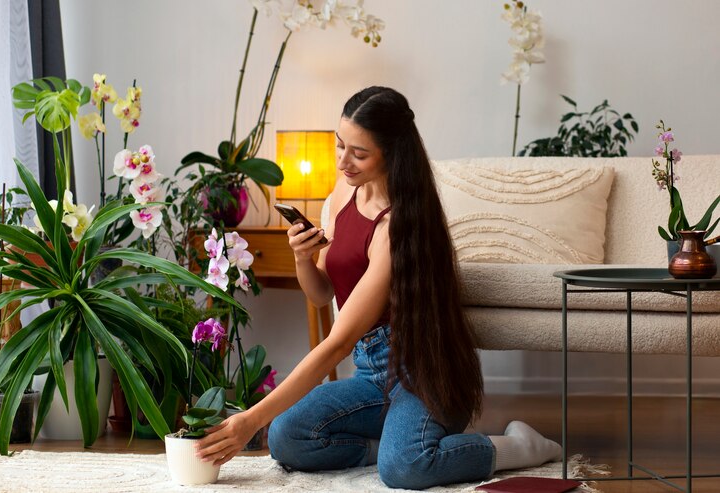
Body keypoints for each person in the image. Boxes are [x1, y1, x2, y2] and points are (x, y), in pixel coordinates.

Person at [195, 86, 561, 489]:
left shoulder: (398, 224)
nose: (343, 161)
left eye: (359, 153)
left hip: (423, 374)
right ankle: (386, 444)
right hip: (371, 372)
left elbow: (336, 343)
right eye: (340, 146)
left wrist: (249, 419)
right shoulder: (341, 194)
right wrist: (302, 258)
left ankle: (514, 447)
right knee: (286, 437)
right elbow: (321, 295)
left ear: (392, 153)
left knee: (405, 469)